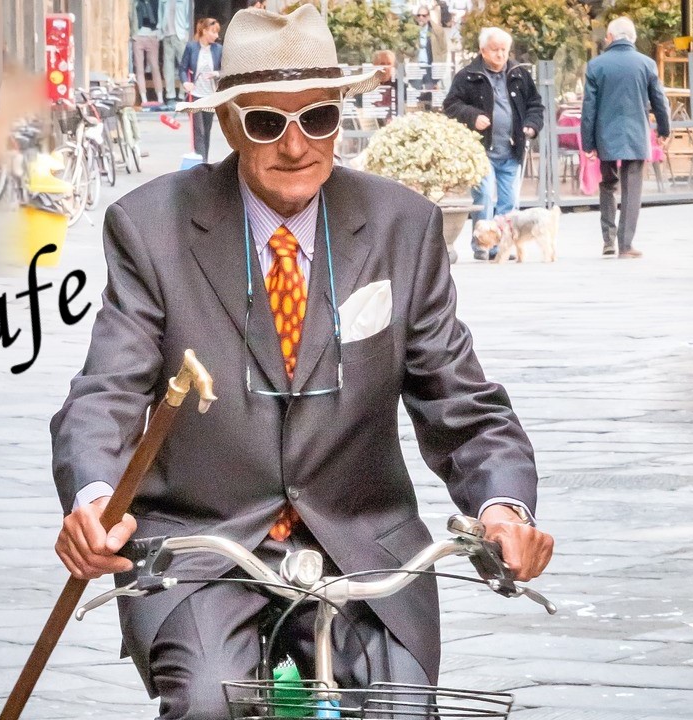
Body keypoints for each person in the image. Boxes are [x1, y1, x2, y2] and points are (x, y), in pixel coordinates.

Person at [51, 7, 553, 719]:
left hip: (363, 543)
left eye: (316, 119)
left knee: (402, 711)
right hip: (202, 547)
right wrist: (94, 499)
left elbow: (460, 399)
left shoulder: (400, 226)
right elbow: (108, 388)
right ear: (229, 125)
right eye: (266, 123)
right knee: (204, 704)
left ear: (339, 118)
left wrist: (503, 508)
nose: (295, 145)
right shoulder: (150, 226)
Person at [442, 27, 544, 261]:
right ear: (482, 50)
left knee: (509, 201)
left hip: (512, 148)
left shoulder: (519, 73)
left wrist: (531, 125)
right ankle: (482, 245)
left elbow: (535, 105)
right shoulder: (468, 75)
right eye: (495, 50)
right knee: (485, 196)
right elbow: (451, 105)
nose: (500, 54)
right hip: (482, 150)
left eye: (504, 50)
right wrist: (472, 116)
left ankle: (503, 245)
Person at [580, 16, 671, 259]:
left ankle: (608, 240)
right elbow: (659, 102)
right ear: (633, 38)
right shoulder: (647, 64)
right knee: (632, 190)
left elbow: (588, 109)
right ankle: (626, 244)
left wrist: (588, 143)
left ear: (610, 38)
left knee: (608, 184)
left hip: (604, 135)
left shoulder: (596, 66)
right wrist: (664, 130)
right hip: (635, 134)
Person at [177, 18, 223, 163]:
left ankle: (204, 162)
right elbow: (183, 68)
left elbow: (225, 70)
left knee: (207, 131)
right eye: (213, 32)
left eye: (217, 33)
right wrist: (186, 82)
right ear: (204, 31)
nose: (216, 36)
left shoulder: (218, 49)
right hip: (195, 95)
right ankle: (201, 165)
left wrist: (216, 74)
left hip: (210, 96)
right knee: (199, 132)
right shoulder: (191, 47)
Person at [159, 0, 194, 110]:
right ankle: (170, 96)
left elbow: (189, 16)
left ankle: (182, 94)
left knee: (183, 65)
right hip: (167, 35)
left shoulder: (185, 1)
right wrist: (160, 30)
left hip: (181, 35)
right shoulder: (163, 1)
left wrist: (188, 34)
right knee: (168, 66)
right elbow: (160, 14)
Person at [412, 4, 449, 94]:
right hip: (416, 66)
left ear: (428, 16)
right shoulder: (412, 30)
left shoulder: (437, 31)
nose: (421, 18)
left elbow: (443, 50)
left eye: (424, 15)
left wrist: (441, 66)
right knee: (415, 93)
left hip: (430, 66)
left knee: (430, 93)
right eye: (419, 15)